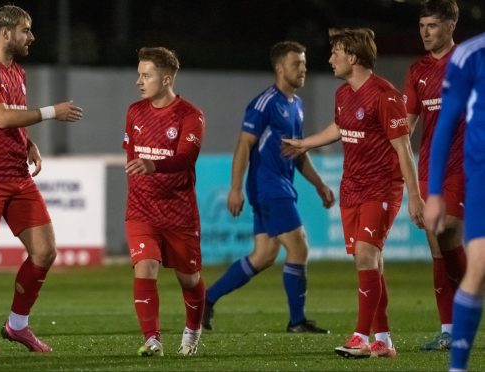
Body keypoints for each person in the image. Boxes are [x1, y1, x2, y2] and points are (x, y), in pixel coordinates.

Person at [282, 28, 425, 359]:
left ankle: (361, 335)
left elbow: (404, 149)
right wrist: (305, 143)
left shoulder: (385, 95)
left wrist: (414, 197)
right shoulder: (343, 94)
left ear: (354, 57)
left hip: (382, 187)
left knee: (365, 254)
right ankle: (384, 340)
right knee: (372, 262)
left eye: (336, 52)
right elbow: (339, 129)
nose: (330, 58)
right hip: (352, 188)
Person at [0, 5, 83, 353]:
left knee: (45, 251)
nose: (32, 36)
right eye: (26, 30)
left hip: (17, 172)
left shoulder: (18, 72)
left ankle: (17, 326)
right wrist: (51, 113)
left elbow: (13, 116)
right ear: (6, 33)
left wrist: (28, 143)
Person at [201, 41, 334, 334]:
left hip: (280, 186)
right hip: (269, 187)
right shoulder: (265, 103)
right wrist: (235, 188)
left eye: (304, 63)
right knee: (299, 247)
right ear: (279, 67)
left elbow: (297, 151)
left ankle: (206, 299)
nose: (303, 69)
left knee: (263, 256)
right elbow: (243, 145)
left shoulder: (296, 105)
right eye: (296, 64)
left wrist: (319, 184)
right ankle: (297, 321)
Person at [122, 47, 206, 357]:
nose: (139, 81)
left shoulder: (190, 115)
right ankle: (152, 339)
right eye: (139, 74)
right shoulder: (134, 112)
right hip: (142, 209)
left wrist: (152, 165)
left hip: (179, 212)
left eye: (146, 75)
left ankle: (192, 332)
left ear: (166, 78)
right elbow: (131, 155)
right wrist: (140, 181)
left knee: (189, 279)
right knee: (144, 267)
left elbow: (185, 158)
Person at [404, 0, 466, 352]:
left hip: (463, 166)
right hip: (429, 170)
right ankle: (449, 330)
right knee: (438, 250)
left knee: (445, 230)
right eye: (421, 25)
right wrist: (410, 188)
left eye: (432, 25)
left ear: (451, 24)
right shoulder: (417, 71)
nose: (425, 32)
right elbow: (405, 128)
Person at [424, 32, 485, 372]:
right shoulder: (470, 55)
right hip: (481, 175)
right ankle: (458, 367)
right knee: (478, 266)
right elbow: (445, 124)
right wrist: (434, 193)